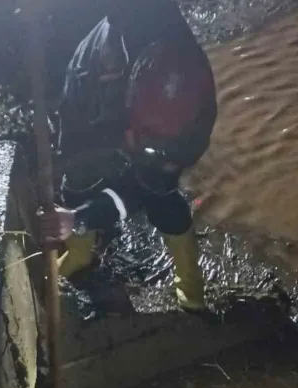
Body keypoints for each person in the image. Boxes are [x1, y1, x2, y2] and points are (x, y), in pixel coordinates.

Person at [40, 1, 217, 313]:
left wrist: (81, 219)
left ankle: (190, 290)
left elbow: (139, 189)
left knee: (160, 194)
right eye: (137, 129)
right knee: (79, 177)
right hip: (89, 101)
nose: (133, 139)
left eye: (149, 139)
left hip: (125, 93)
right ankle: (78, 254)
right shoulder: (99, 69)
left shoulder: (193, 129)